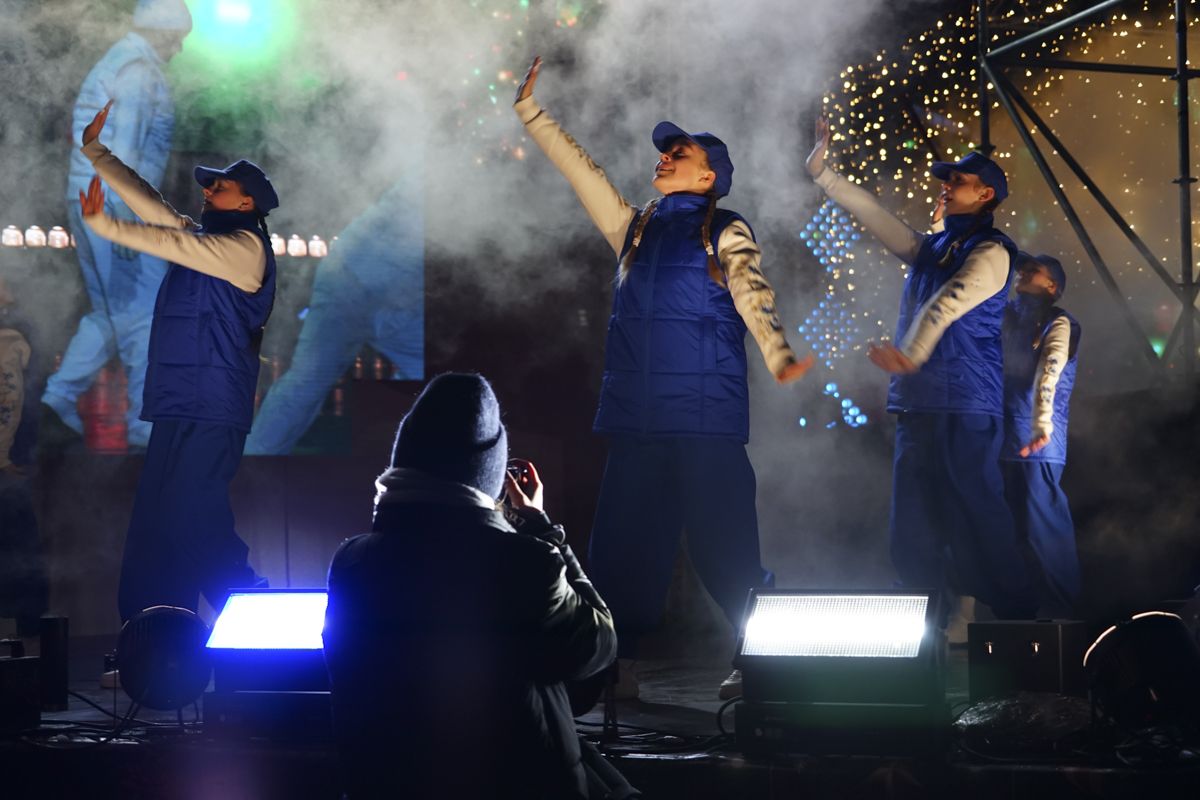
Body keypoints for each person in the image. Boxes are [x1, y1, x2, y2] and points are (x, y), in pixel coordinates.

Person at [513, 57, 811, 699]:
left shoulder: (724, 229)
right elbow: (583, 173)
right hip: (638, 424)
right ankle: (611, 672)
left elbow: (753, 293)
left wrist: (778, 352)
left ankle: (762, 664)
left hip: (706, 424)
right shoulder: (636, 228)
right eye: (665, 150)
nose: (665, 156)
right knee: (621, 553)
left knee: (728, 551)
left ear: (708, 177)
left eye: (680, 152)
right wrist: (533, 114)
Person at [322, 372, 620, 799]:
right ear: (487, 477)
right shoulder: (524, 563)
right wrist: (541, 529)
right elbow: (597, 650)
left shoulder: (352, 562)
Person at [806, 116, 1037, 625]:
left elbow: (947, 303)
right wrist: (825, 175)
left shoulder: (993, 251)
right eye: (946, 179)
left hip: (965, 407)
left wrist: (911, 353)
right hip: (919, 405)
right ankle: (926, 625)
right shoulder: (932, 248)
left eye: (958, 181)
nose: (946, 186)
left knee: (977, 516)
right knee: (911, 526)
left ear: (986, 195)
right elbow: (877, 216)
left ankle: (1020, 623)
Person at [74, 100, 278, 622]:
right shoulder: (209, 239)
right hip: (178, 403)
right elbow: (155, 209)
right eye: (208, 186)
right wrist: (97, 153)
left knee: (191, 515)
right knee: (156, 522)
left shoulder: (246, 249)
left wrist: (105, 225)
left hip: (213, 408)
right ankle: (153, 632)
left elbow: (166, 238)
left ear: (248, 201)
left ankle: (255, 618)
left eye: (219, 187)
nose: (207, 191)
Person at [41, 0, 192, 451]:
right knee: (148, 312)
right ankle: (147, 425)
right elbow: (123, 146)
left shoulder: (121, 62)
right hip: (113, 206)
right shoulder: (138, 71)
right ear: (160, 31)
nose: (180, 49)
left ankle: (57, 401)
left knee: (113, 312)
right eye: (178, 38)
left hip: (95, 201)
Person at [1001, 252, 1081, 617]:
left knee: (1042, 532)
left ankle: (1063, 620)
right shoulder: (1005, 315)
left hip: (1039, 445)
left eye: (1033, 270)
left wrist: (1041, 424)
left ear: (1052, 286)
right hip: (1001, 439)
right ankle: (1016, 619)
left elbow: (1050, 369)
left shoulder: (1060, 321)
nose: (1023, 273)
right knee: (1008, 534)